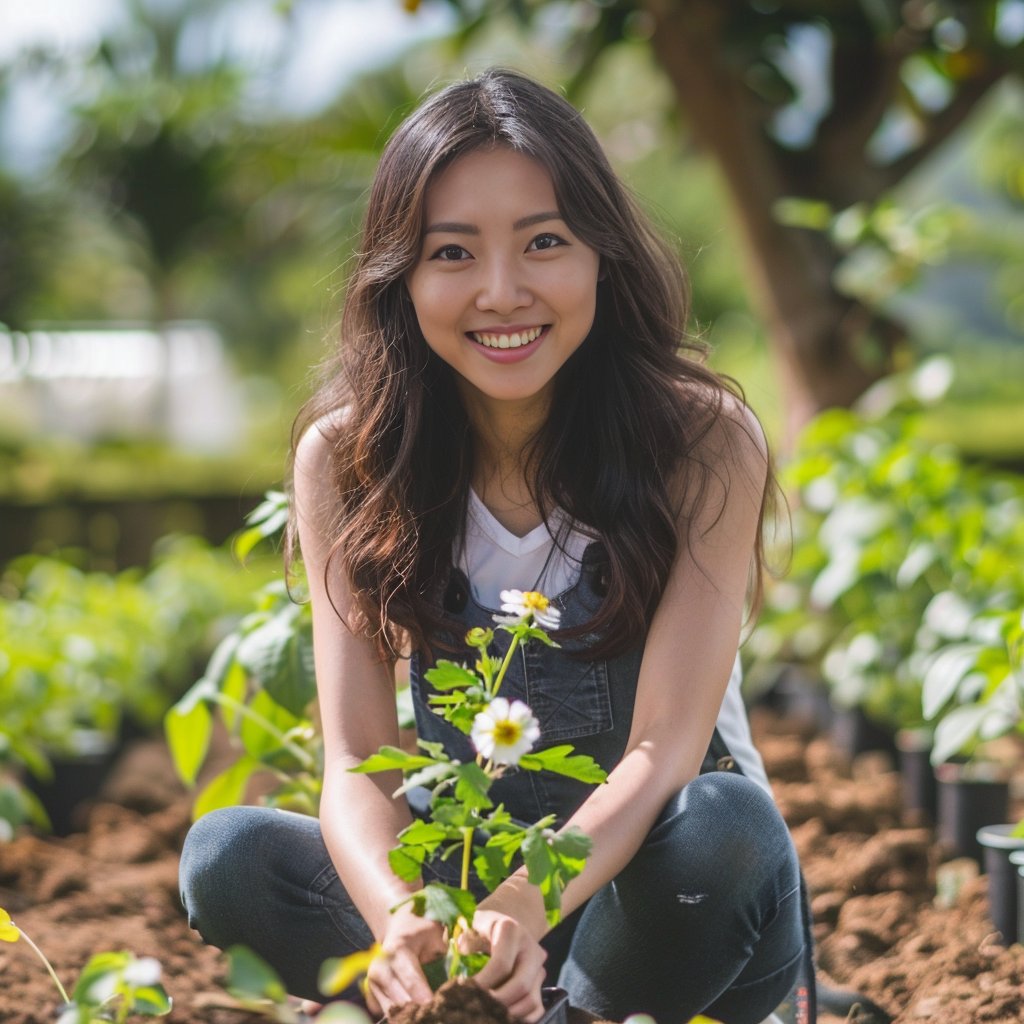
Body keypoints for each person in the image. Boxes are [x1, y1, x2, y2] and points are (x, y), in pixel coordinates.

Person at [179, 68, 814, 1024]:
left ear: (602, 252)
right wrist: (403, 922)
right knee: (227, 859)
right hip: (463, 902)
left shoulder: (699, 442)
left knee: (728, 830)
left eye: (544, 242)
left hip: (664, 911)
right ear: (403, 273)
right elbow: (355, 757)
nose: (502, 292)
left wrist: (526, 898)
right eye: (453, 252)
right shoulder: (349, 460)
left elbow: (664, 747)